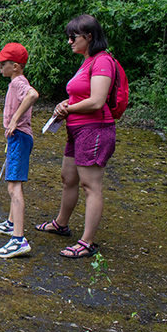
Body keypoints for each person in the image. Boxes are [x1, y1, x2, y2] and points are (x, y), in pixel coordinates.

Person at [36, 14, 116, 258]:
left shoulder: (103, 62)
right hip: (77, 129)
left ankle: (87, 242)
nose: (69, 42)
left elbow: (97, 101)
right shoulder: (87, 61)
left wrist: (68, 109)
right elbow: (80, 96)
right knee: (68, 177)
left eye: (73, 37)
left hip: (95, 130)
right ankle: (61, 224)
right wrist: (65, 105)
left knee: (91, 185)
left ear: (89, 36)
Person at [0, 43, 39, 258]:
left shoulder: (18, 82)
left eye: (3, 64)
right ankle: (10, 223)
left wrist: (15, 120)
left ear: (15, 66)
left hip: (20, 137)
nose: (0, 67)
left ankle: (19, 239)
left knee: (13, 187)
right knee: (13, 182)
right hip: (17, 138)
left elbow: (33, 95)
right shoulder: (15, 82)